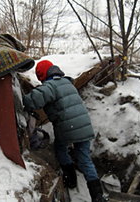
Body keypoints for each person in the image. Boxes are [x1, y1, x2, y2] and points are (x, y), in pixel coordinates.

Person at [23, 60, 106, 202]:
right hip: (84, 125)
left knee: (61, 149)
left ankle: (70, 179)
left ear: (42, 75)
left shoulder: (50, 86)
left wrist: (21, 95)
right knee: (85, 159)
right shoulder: (67, 82)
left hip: (67, 127)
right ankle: (97, 196)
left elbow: (32, 101)